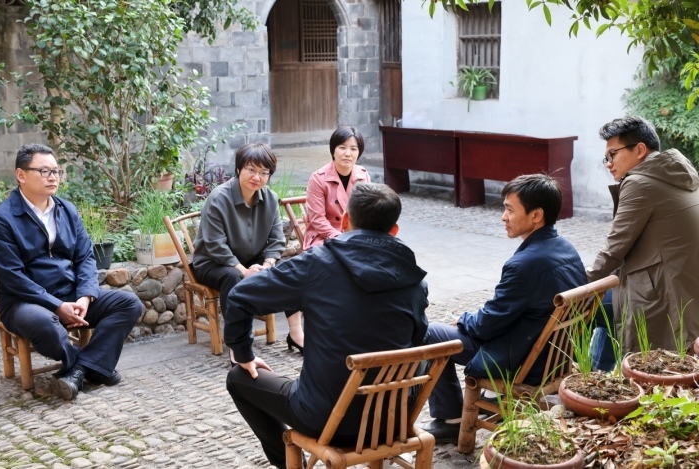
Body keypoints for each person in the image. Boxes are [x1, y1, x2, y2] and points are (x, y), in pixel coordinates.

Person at [224, 183, 428, 469]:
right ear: (394, 230)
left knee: (237, 378)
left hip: (322, 418)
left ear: (344, 221)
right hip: (392, 420)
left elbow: (240, 296)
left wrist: (244, 353)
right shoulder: (415, 279)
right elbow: (417, 344)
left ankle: (287, 464)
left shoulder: (316, 264)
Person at [420, 174, 587, 443]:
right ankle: (474, 406)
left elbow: (487, 325)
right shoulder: (566, 248)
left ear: (536, 215)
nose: (503, 217)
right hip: (556, 358)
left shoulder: (524, 264)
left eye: (510, 209)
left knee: (430, 333)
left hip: (523, 362)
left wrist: (463, 319)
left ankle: (451, 419)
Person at [0, 143, 143, 400]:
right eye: (44, 171)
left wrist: (85, 297)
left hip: (70, 294)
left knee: (129, 303)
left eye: (56, 171)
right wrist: (56, 306)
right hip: (24, 303)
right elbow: (11, 277)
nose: (53, 177)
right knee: (46, 324)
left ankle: (78, 371)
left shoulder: (66, 210)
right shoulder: (1, 219)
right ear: (21, 175)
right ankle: (92, 366)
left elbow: (85, 257)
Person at [587, 116, 699, 353]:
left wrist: (575, 285)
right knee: (610, 303)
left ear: (639, 150)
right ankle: (606, 369)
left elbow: (613, 251)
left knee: (589, 308)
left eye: (612, 154)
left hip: (664, 294)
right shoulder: (678, 173)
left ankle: (598, 372)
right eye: (606, 158)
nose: (608, 164)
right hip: (684, 287)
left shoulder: (638, 183)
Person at [191, 143, 304, 356]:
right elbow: (215, 245)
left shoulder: (270, 198)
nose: (256, 177)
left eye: (263, 172)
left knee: (292, 268)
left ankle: (296, 334)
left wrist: (268, 265)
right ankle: (238, 346)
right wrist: (243, 271)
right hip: (212, 263)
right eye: (251, 169)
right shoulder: (218, 198)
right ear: (238, 168)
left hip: (253, 260)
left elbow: (277, 239)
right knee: (233, 278)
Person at [303, 126, 371, 250]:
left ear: (359, 153)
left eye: (353, 149)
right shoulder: (318, 178)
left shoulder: (363, 175)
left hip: (355, 235)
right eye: (342, 147)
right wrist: (341, 238)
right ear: (333, 150)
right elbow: (317, 219)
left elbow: (367, 213)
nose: (348, 154)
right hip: (323, 236)